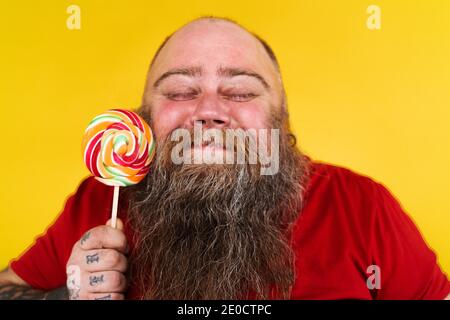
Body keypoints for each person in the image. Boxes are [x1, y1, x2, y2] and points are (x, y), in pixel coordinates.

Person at [1, 16, 449, 300]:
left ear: (280, 120)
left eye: (240, 91)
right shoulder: (99, 202)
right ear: (144, 118)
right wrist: (64, 296)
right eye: (179, 90)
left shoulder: (360, 206)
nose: (210, 111)